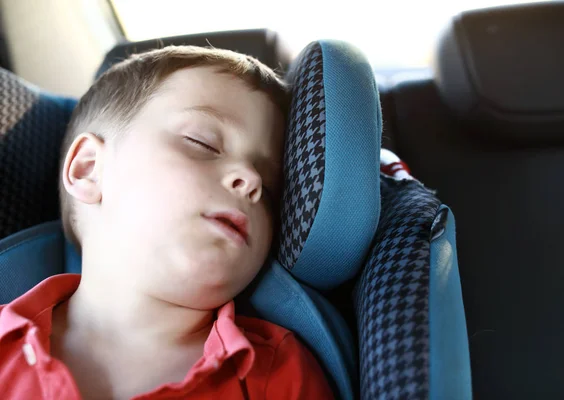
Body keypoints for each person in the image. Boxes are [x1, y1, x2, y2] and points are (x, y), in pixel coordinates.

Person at [0, 45, 334, 400]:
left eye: (269, 190)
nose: (250, 180)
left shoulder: (277, 376)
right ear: (88, 170)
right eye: (202, 143)